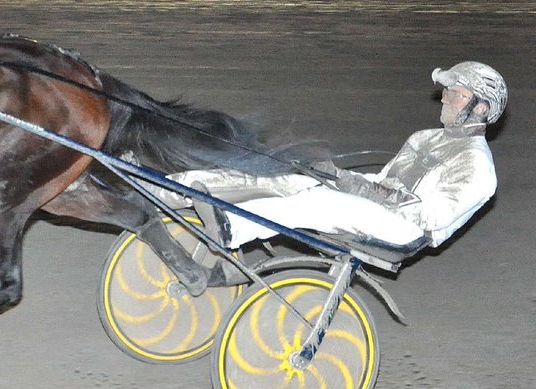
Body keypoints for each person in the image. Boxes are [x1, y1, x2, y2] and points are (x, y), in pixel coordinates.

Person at [170, 62, 505, 263]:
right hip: (381, 211)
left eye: (456, 95)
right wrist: (338, 176)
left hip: (406, 232)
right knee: (294, 176)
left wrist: (359, 188)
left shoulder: (477, 166)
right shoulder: (424, 137)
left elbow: (431, 216)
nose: (445, 99)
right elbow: (383, 181)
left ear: (481, 108)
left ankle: (231, 228)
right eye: (447, 92)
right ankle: (174, 189)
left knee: (315, 200)